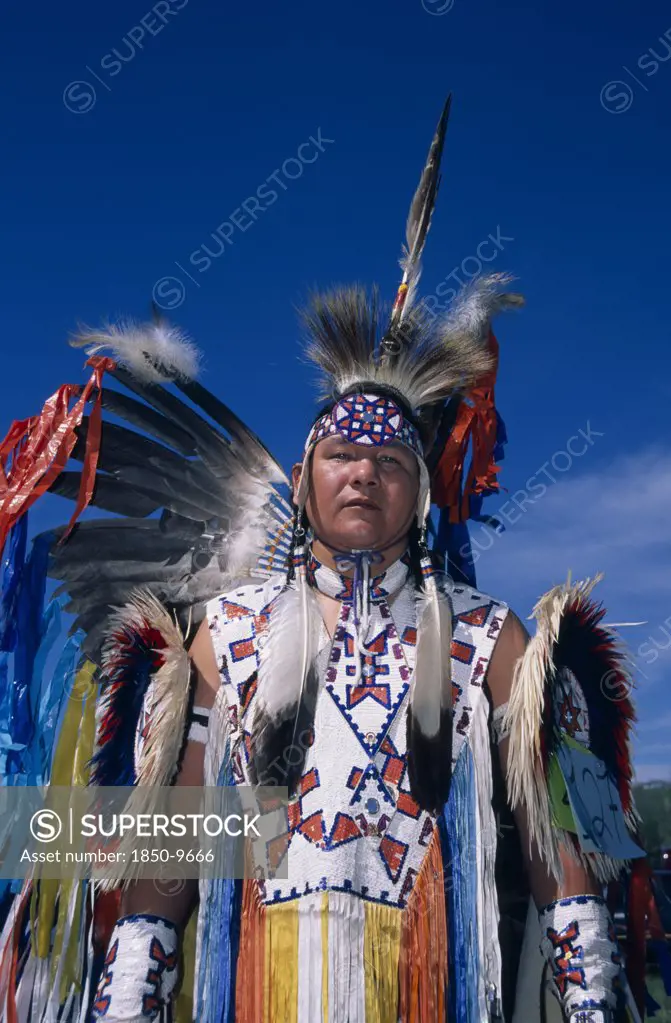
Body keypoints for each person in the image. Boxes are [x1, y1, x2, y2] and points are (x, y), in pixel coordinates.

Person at [0, 99, 659, 1023]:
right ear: (304, 480)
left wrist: (589, 982)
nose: (365, 477)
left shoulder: (485, 637)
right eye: (343, 460)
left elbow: (558, 843)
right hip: (264, 975)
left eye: (391, 463)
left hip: (425, 980)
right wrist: (131, 987)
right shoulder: (225, 635)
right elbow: (178, 844)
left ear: (419, 492)